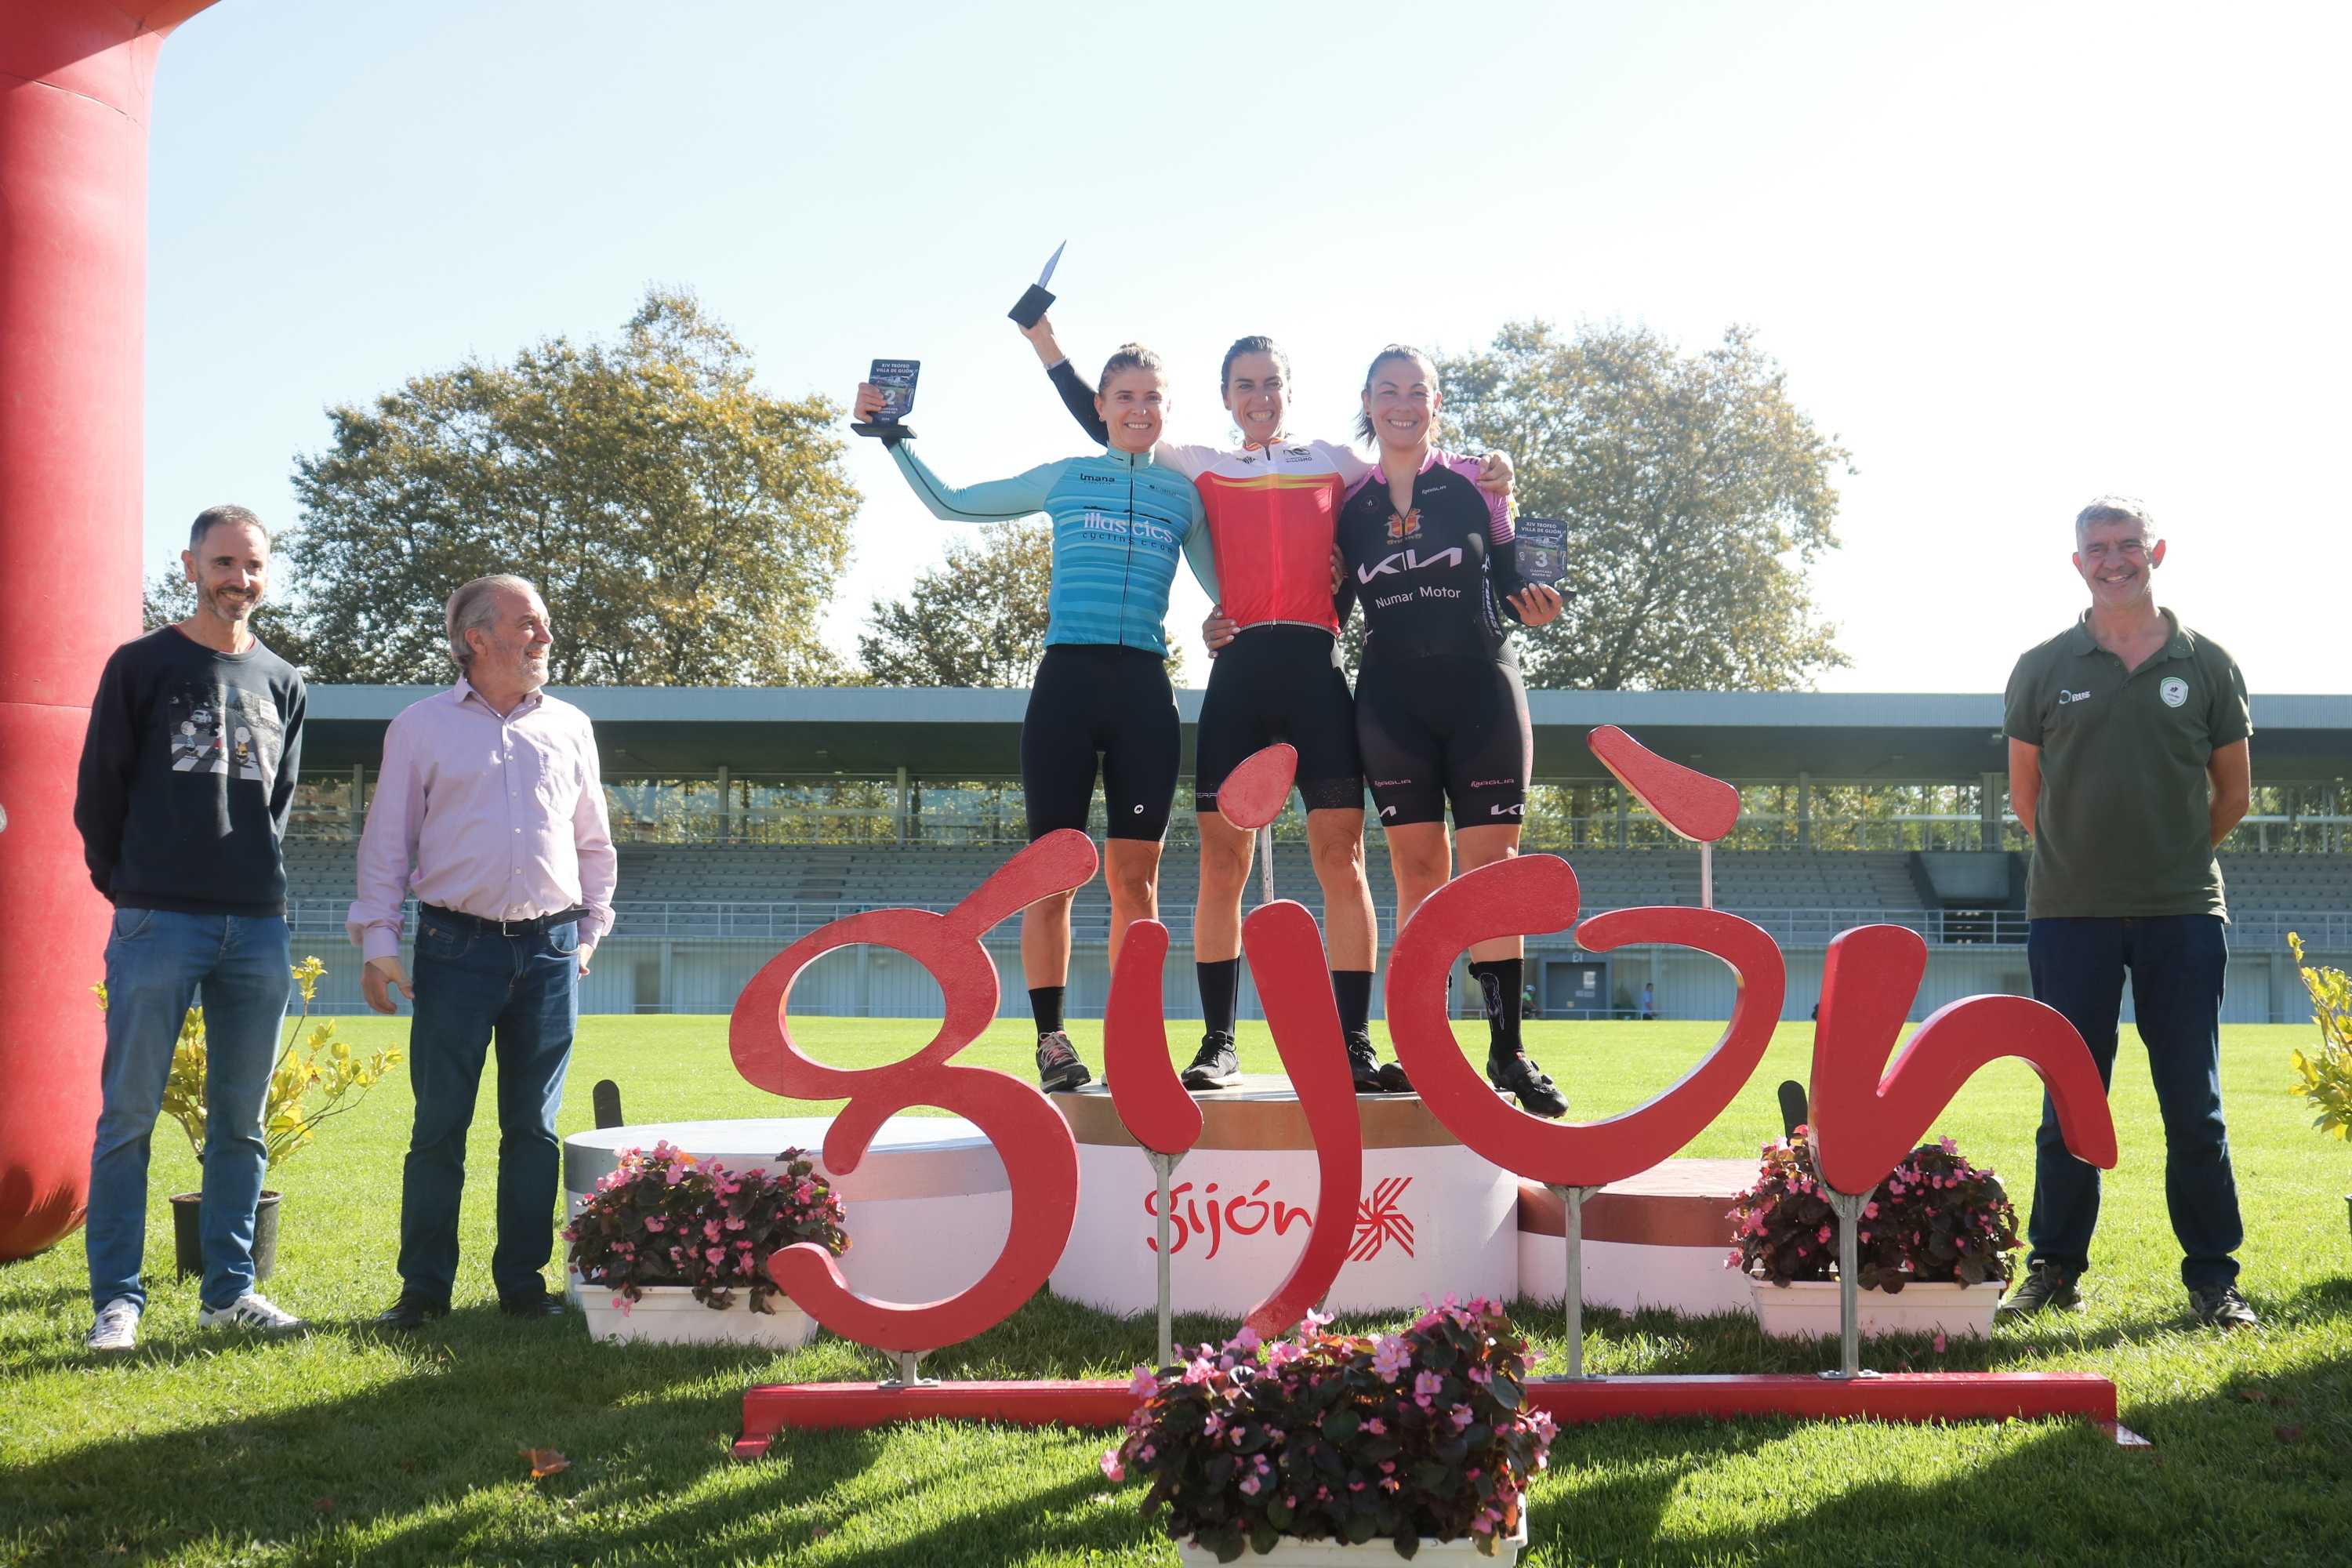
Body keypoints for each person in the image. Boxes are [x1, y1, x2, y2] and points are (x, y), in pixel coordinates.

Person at [1022, 318, 1512, 1094]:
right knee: (1223, 864)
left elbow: (1409, 452)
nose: (1260, 396)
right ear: (1223, 396)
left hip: (1319, 675)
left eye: (1271, 382)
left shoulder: (1334, 461)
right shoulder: (1198, 462)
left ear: (1289, 390)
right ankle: (1219, 1042)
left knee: (1340, 862)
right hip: (1239, 681)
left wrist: (1486, 471)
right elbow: (1110, 415)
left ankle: (1353, 1043)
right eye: (1244, 383)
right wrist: (1047, 345)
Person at [855, 345, 1213, 1092]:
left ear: (1165, 408)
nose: (1139, 408)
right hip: (1067, 686)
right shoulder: (1065, 477)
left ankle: (1133, 1038)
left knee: (1135, 881)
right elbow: (951, 502)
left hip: (1146, 689)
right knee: (1052, 876)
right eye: (1124, 396)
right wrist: (891, 436)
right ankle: (1052, 1041)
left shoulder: (1185, 496)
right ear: (1102, 407)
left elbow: (1228, 590)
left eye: (1152, 397)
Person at [1997, 497, 2256, 1330]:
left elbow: (2235, 792)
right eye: (2098, 548)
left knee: (2195, 1100)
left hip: (2182, 912)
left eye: (2128, 545)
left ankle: (2215, 1278)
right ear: (2077, 562)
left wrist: (2169, 863)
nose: (2114, 559)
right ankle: (2055, 1268)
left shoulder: (2207, 664)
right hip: (2070, 916)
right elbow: (2025, 794)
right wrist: (2085, 869)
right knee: (2070, 1097)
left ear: (2157, 552)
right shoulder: (2042, 665)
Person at [350, 575, 616, 1330]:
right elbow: (386, 845)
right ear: (477, 638)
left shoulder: (570, 726)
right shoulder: (419, 726)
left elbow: (593, 840)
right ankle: (424, 1292)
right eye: (529, 624)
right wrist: (379, 941)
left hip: (552, 949)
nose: (546, 637)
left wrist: (590, 930)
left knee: (532, 1128)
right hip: (452, 948)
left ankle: (523, 1289)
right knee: (439, 1126)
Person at [73, 504, 308, 1351]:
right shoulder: (141, 665)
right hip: (158, 918)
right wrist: (129, 886)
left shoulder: (285, 680)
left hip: (255, 925)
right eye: (223, 563)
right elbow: (99, 790)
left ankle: (229, 1291)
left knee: (239, 1123)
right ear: (190, 565)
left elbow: (276, 808)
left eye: (251, 566)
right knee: (128, 1115)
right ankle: (118, 1302)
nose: (238, 579)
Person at [1328, 346, 1570, 1116]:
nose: (1402, 402)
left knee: (1494, 868)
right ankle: (1423, 1043)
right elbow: (1326, 608)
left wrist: (1535, 599)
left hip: (1482, 690)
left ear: (1436, 403)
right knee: (1418, 873)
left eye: (1417, 391)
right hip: (1391, 699)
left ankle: (1508, 1051)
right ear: (1367, 401)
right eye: (1388, 390)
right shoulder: (1347, 502)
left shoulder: (1475, 480)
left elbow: (1511, 576)